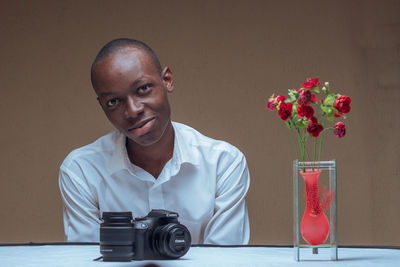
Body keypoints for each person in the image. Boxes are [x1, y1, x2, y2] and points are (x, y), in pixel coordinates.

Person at [59, 38, 250, 244]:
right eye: (113, 101)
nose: (133, 110)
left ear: (167, 80)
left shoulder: (223, 164)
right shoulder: (81, 171)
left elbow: (226, 261)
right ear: (102, 106)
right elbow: (85, 260)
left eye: (143, 89)